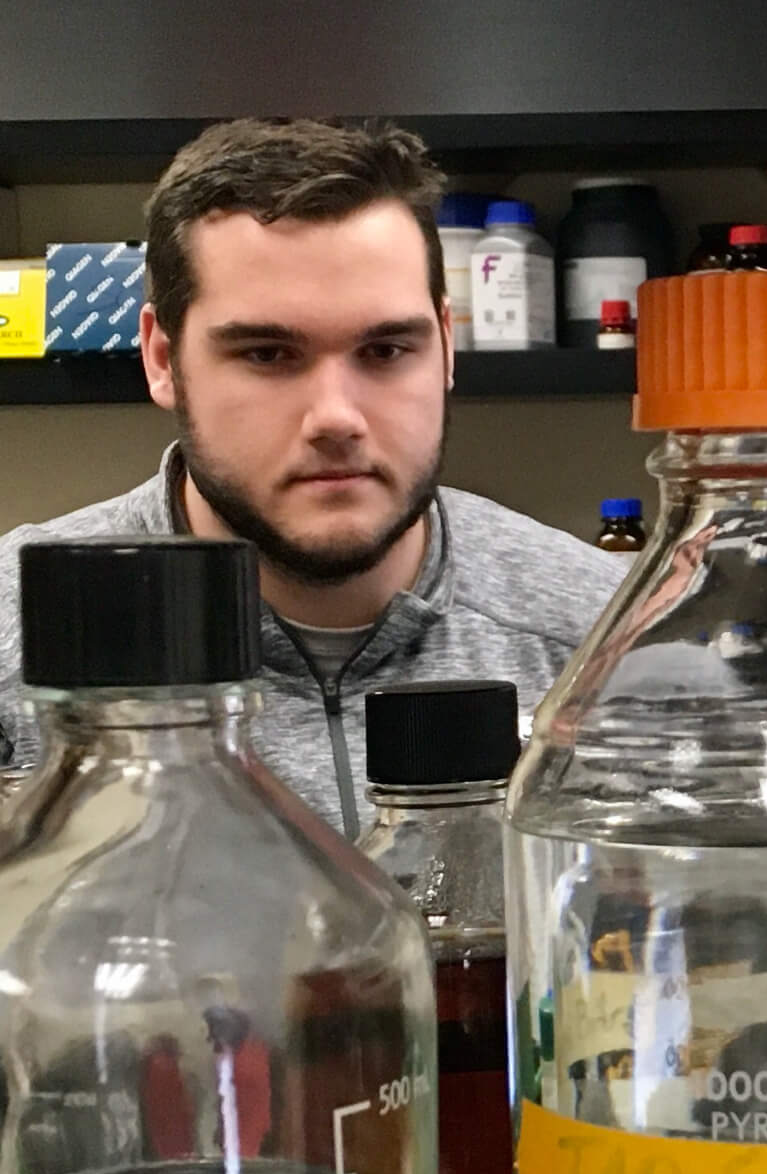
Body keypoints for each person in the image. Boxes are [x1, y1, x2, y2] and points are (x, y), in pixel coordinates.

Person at [0, 118, 624, 838]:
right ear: (163, 359)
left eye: (386, 349)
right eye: (268, 354)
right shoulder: (16, 635)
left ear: (447, 348)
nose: (336, 417)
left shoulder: (599, 643)